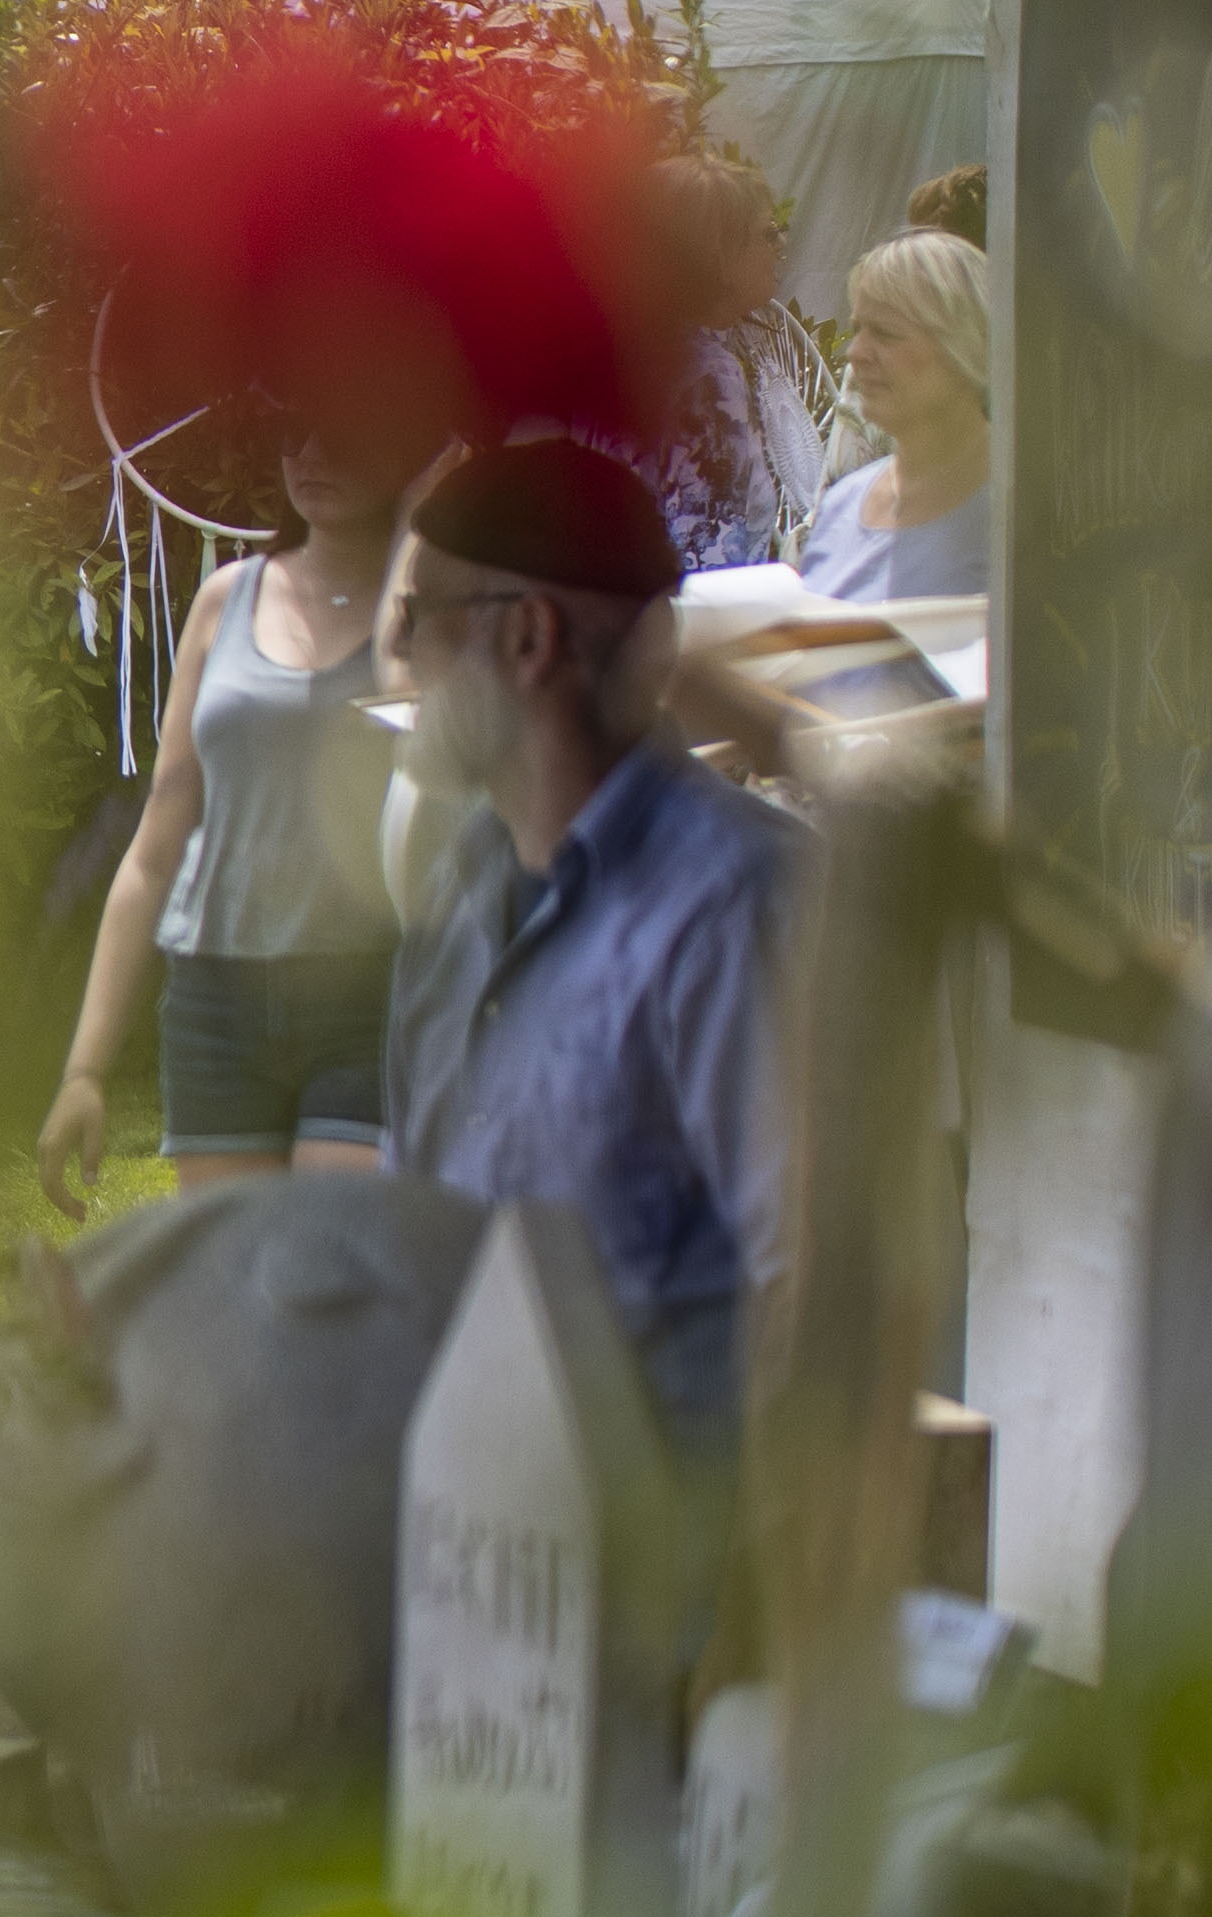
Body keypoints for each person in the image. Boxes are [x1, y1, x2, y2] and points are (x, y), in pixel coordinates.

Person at [379, 434, 803, 1433]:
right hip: (479, 1539)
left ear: (530, 639)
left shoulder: (738, 905)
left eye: (419, 619)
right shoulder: (457, 885)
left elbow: (815, 1302)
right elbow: (409, 1234)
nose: (395, 656)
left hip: (667, 1554)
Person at [42, 422, 406, 1205]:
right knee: (234, 1284)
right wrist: (85, 1069)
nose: (312, 450)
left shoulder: (426, 613)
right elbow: (156, 846)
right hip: (218, 1000)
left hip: (368, 994)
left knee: (336, 1269)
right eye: (298, 427)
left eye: (343, 428)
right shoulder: (225, 599)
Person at [640, 156, 822, 577]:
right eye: (768, 233)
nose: (780, 246)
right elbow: (710, 562)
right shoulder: (705, 377)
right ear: (717, 252)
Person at [799, 227, 994, 606]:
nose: (856, 353)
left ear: (967, 344)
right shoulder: (842, 505)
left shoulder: (1020, 517)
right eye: (858, 330)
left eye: (885, 334)